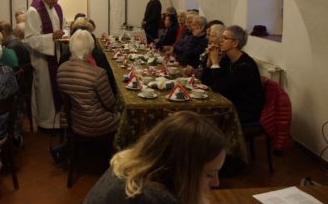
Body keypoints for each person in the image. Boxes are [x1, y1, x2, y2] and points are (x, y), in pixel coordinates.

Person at [84, 111, 227, 204]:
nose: (216, 183)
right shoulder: (153, 198)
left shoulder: (132, 160)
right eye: (209, 174)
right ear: (181, 168)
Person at [57, 29, 118, 136]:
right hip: (94, 124)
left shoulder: (61, 69)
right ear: (91, 48)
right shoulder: (98, 73)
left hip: (71, 121)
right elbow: (110, 104)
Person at [25, 0, 69, 131]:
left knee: (56, 88)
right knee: (44, 91)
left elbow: (65, 26)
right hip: (42, 59)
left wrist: (65, 34)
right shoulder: (33, 11)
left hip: (56, 54)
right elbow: (30, 39)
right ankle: (45, 123)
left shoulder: (56, 8)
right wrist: (51, 37)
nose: (55, 2)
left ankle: (57, 121)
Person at [204, 25, 265, 124]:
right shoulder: (227, 59)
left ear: (235, 43)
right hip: (229, 103)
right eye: (221, 38)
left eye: (225, 38)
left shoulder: (245, 66)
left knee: (205, 118)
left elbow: (219, 89)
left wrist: (215, 63)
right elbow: (207, 83)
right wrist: (209, 62)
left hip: (244, 110)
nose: (220, 41)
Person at [59, 17, 117, 96]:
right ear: (90, 37)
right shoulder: (98, 57)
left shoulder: (64, 60)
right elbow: (110, 81)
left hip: (72, 105)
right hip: (95, 102)